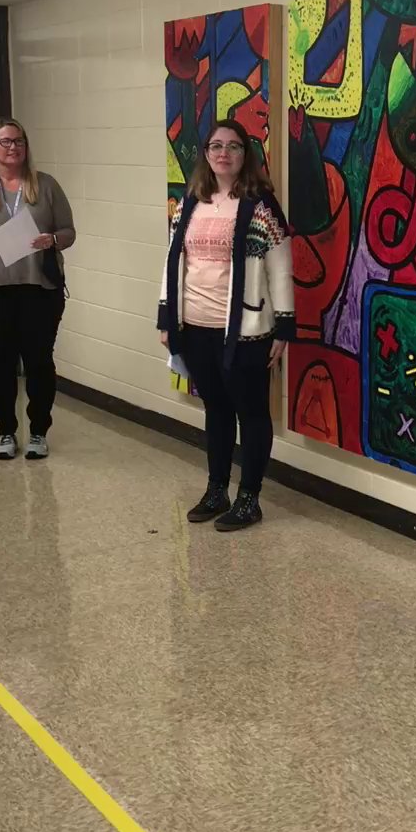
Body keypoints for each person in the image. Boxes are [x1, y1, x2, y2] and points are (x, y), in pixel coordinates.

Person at [158, 118, 295, 531]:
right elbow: (172, 261)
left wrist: (284, 326)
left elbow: (281, 268)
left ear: (244, 155)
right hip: (195, 326)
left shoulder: (260, 205)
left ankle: (249, 498)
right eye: (216, 146)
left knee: (251, 413)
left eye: (233, 147)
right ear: (206, 154)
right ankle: (216, 489)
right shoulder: (191, 201)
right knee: (216, 409)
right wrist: (167, 318)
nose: (224, 154)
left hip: (246, 331)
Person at [0, 117, 75, 461]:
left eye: (18, 141)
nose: (13, 147)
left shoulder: (45, 185)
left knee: (39, 362)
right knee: (1, 363)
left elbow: (68, 231)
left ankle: (38, 431)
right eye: (5, 141)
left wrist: (52, 239)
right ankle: (6, 431)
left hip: (39, 290)